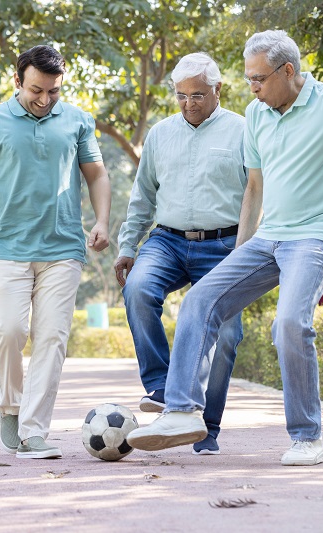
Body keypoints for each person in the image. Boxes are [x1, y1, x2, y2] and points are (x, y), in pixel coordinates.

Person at [126, 30, 323, 466]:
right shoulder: (257, 114)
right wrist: (237, 255)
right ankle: (180, 412)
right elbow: (253, 188)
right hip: (268, 236)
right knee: (200, 301)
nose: (251, 88)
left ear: (287, 71)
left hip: (314, 234)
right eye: (249, 79)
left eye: (258, 79)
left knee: (290, 323)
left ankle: (307, 436)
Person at [0, 45, 111, 459]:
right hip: (8, 246)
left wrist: (102, 220)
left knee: (51, 338)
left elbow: (97, 174)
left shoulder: (77, 121)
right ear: (17, 81)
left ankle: (34, 431)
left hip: (63, 246)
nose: (45, 99)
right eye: (36, 90)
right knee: (7, 330)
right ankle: (10, 406)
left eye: (53, 91)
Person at [114, 52, 247, 455]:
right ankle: (162, 383)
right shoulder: (160, 134)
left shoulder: (244, 130)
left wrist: (250, 248)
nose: (189, 102)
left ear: (218, 90)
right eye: (182, 95)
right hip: (168, 240)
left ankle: (206, 428)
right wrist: (127, 245)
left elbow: (259, 194)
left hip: (226, 244)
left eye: (198, 95)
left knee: (226, 335)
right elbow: (142, 197)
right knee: (137, 288)